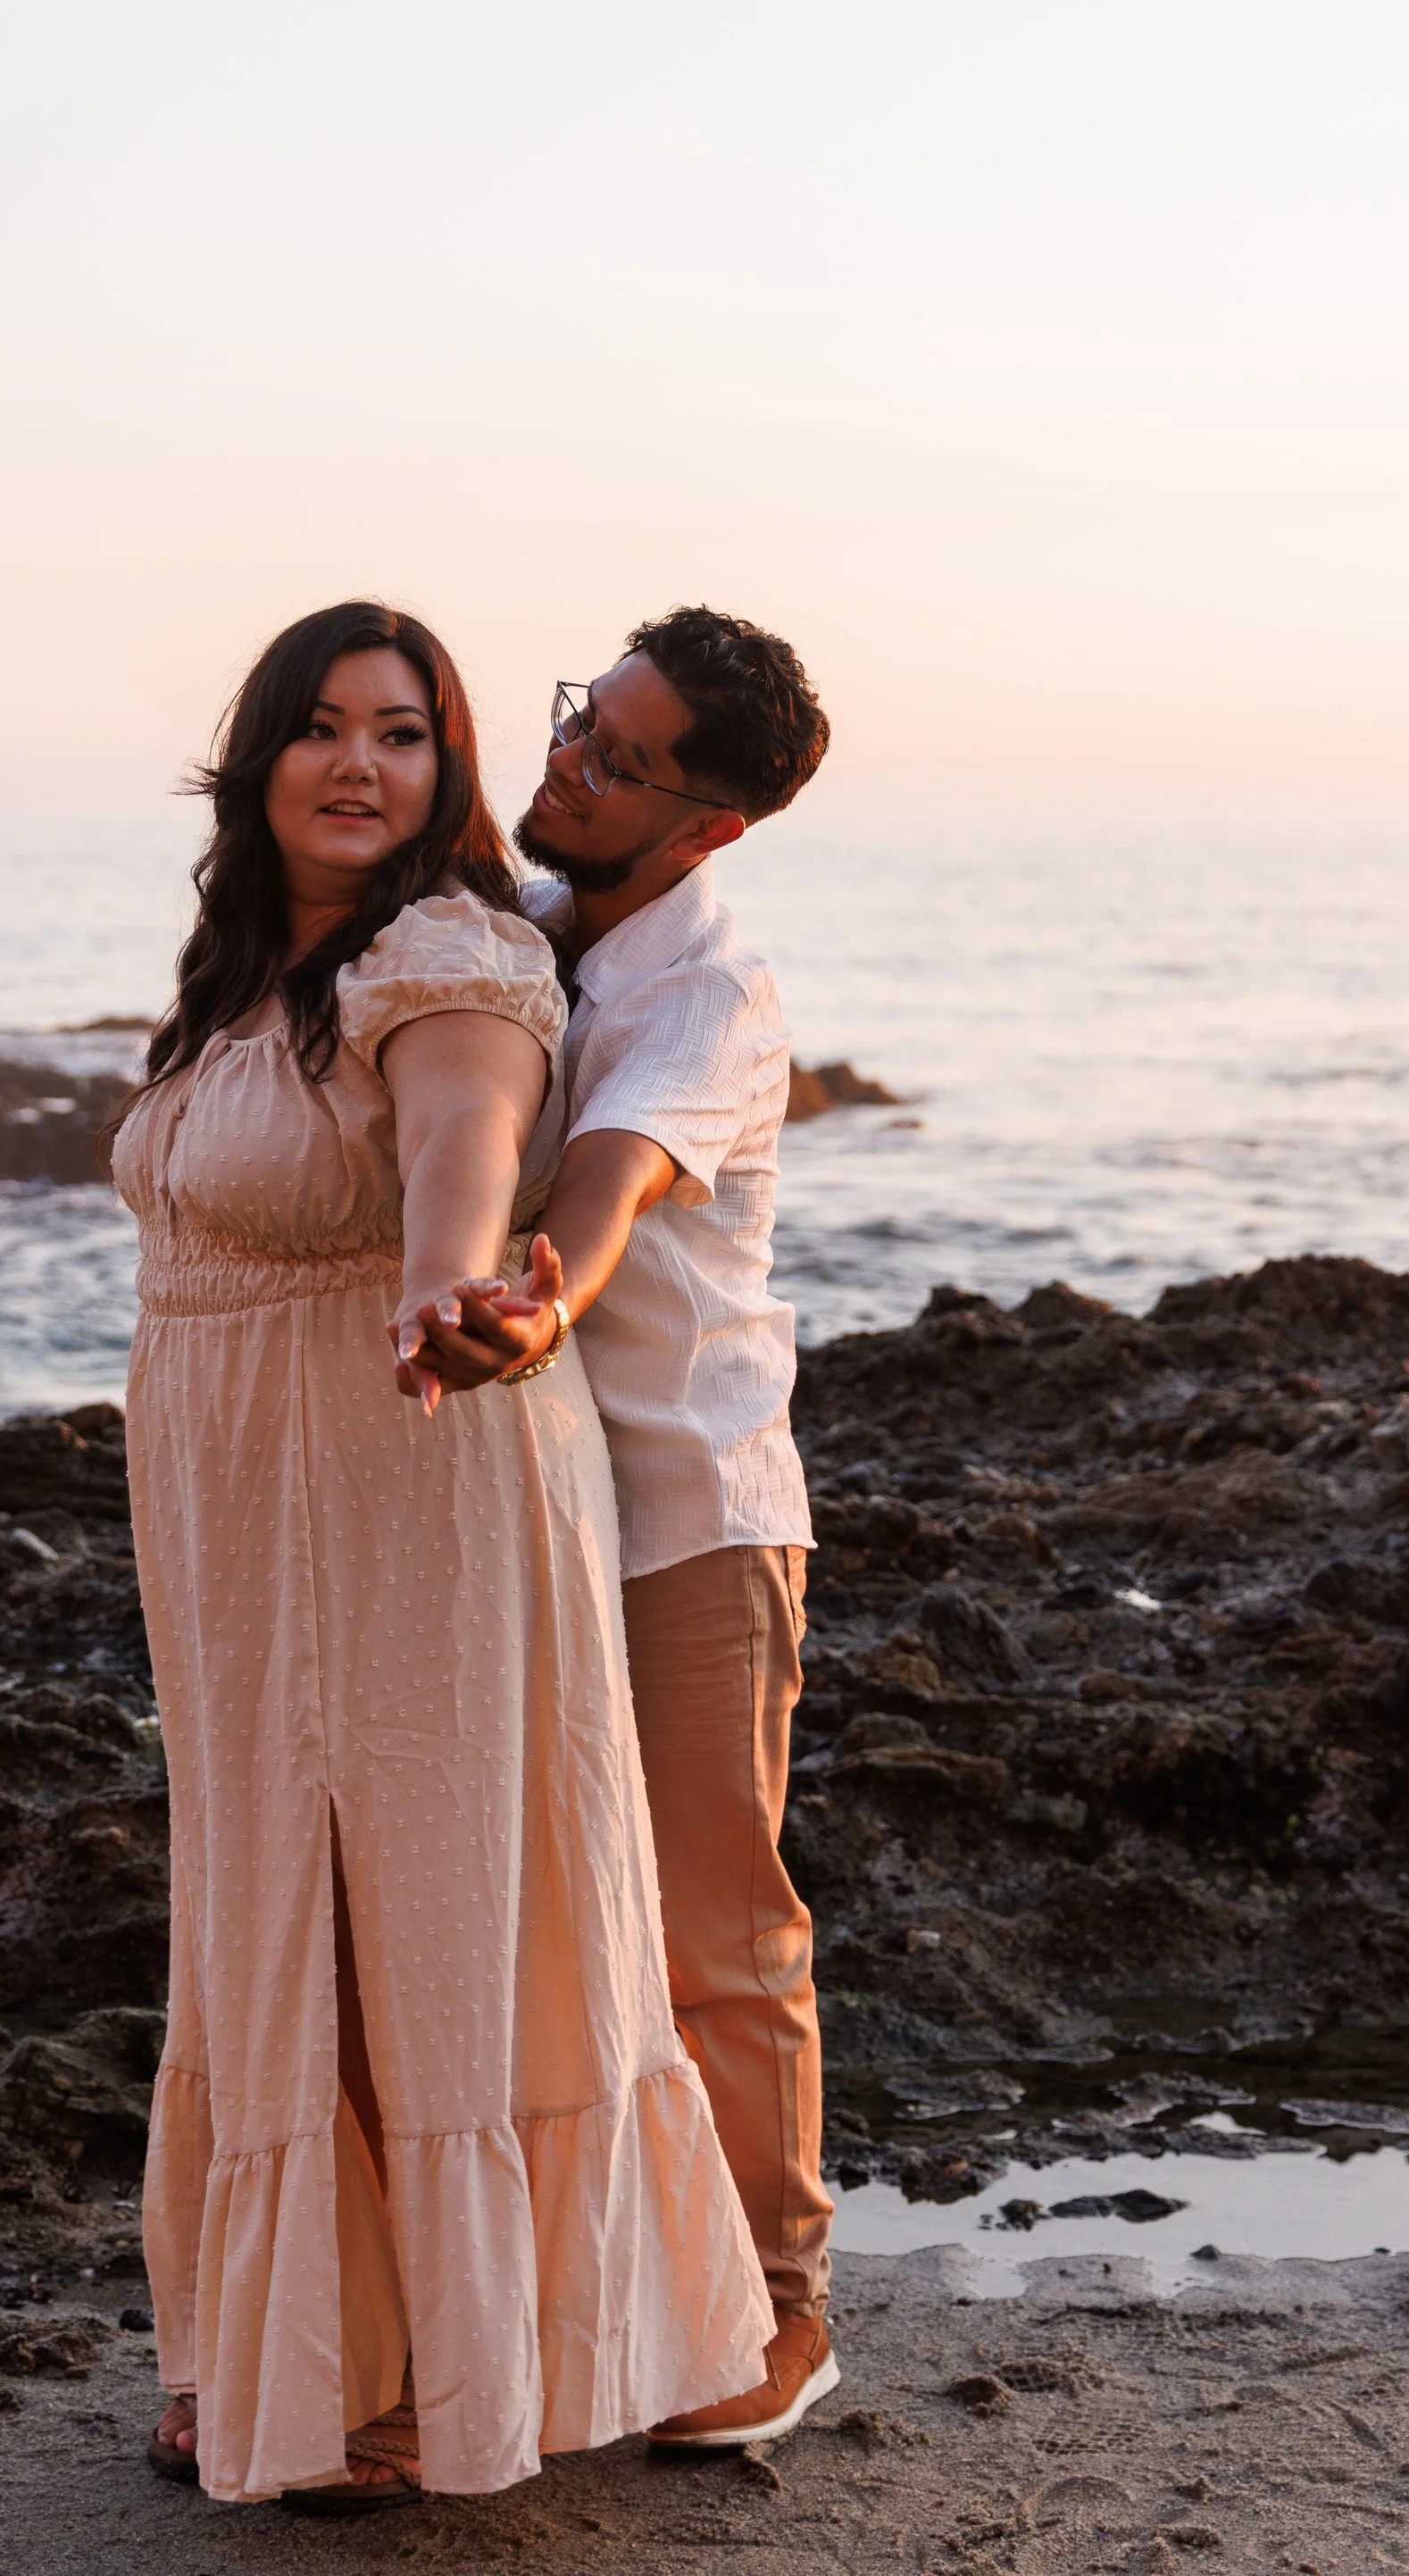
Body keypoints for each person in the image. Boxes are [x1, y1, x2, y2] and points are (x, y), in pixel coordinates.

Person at [111, 600, 771, 2511]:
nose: (355, 766)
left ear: (441, 772)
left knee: (417, 1901)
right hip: (243, 1521)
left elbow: (468, 1144)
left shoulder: (457, 952)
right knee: (268, 1908)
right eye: (318, 728)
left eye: (399, 735)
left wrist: (451, 1287)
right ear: (257, 760)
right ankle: (287, 2346)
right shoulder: (245, 974)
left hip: (413, 1485)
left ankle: (422, 2381)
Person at [404, 605, 838, 2450]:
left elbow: (605, 1187)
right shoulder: (543, 921)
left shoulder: (700, 990)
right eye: (588, 713)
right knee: (557, 1922)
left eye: (621, 755)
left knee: (714, 1935)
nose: (569, 754)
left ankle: (782, 2314)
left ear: (708, 829)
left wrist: (533, 1302)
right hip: (536, 1510)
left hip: (687, 1522)